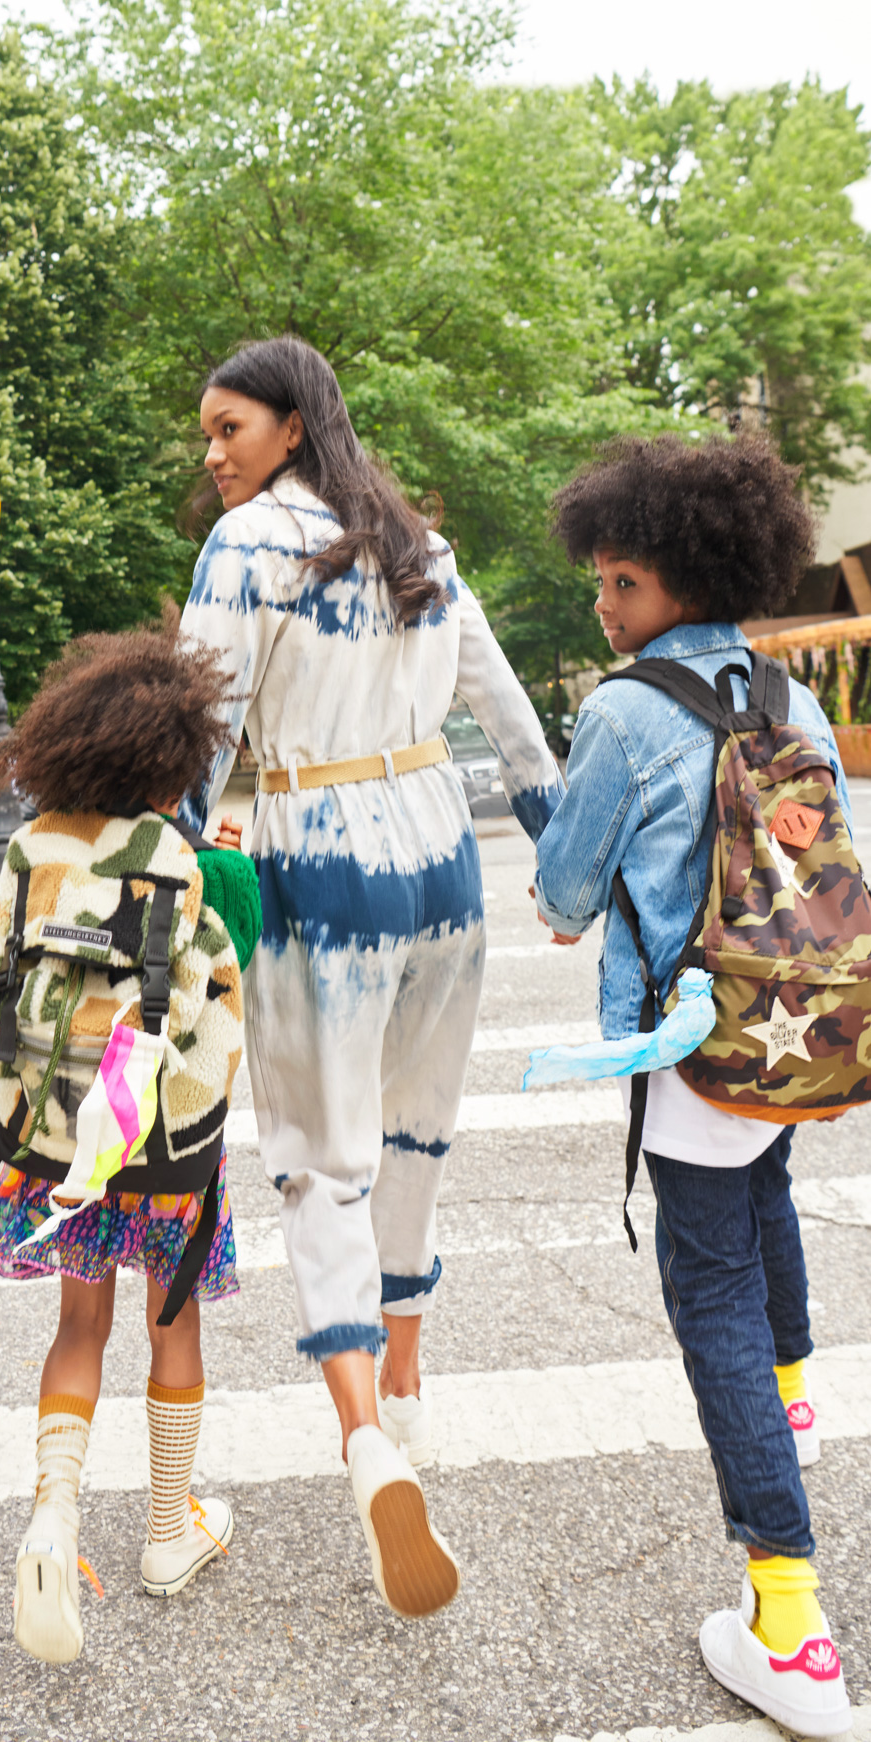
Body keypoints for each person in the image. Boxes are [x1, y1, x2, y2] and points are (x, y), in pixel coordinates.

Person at [179, 335, 564, 1618]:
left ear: (292, 425)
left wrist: (162, 855)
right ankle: (407, 1389)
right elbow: (503, 705)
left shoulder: (243, 550)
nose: (213, 453)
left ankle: (360, 1438)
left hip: (320, 863)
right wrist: (556, 843)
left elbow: (199, 730)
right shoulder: (416, 545)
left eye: (228, 427)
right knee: (413, 1143)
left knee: (313, 1155)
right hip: (442, 865)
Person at [533, 433, 852, 1739]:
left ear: (678, 576)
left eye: (619, 583)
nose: (604, 608)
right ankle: (796, 1397)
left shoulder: (621, 710)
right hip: (798, 1029)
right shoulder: (793, 693)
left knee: (706, 1275)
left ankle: (789, 1621)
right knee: (764, 1196)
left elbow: (561, 892)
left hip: (688, 1040)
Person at [0, 610, 261, 1664]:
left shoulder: (33, 843)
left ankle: (52, 1516)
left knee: (77, 1325)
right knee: (169, 1321)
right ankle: (167, 1530)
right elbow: (227, 983)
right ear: (170, 758)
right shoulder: (174, 853)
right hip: (160, 1139)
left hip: (52, 1136)